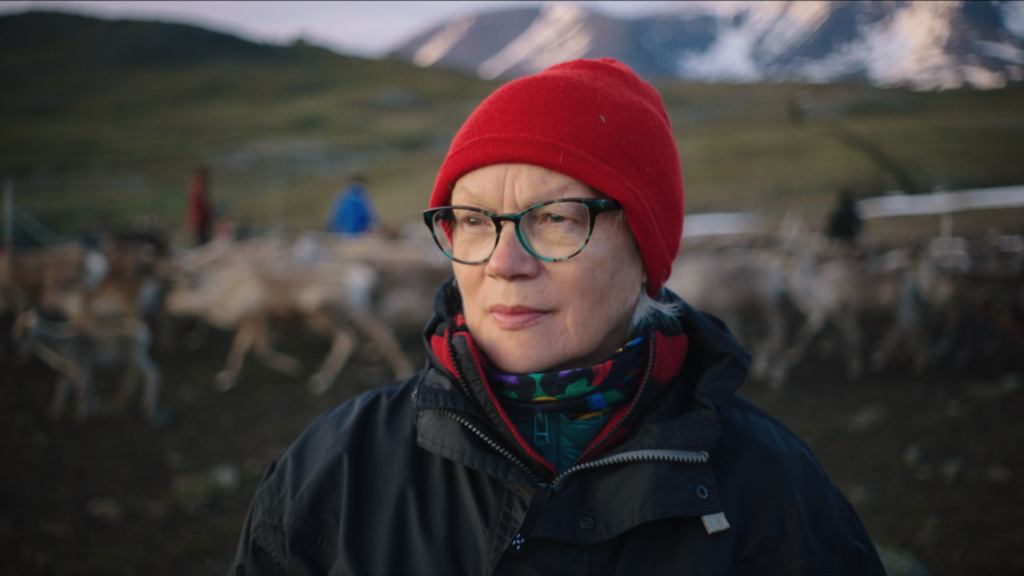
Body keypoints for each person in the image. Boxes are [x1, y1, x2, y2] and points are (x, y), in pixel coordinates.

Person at [231, 59, 885, 575]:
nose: (504, 263)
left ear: (646, 249)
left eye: (556, 218)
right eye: (474, 221)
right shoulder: (331, 472)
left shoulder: (777, 496)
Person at [186, 165, 213, 246]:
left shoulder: (195, 187)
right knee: (202, 242)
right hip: (200, 221)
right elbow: (200, 205)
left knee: (202, 241)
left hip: (201, 220)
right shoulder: (198, 188)